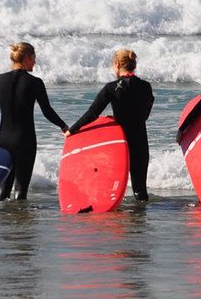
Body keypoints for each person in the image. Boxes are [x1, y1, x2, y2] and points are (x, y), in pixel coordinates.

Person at [65, 49, 155, 201]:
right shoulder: (146, 86)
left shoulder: (111, 87)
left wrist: (72, 130)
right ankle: (140, 222)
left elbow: (92, 113)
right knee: (140, 191)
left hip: (119, 144)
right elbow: (144, 115)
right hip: (140, 141)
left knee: (112, 189)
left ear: (117, 64)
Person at [0, 42, 68, 200]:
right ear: (26, 58)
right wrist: (63, 126)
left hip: (4, 140)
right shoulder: (35, 82)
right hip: (25, 140)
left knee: (4, 188)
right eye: (34, 58)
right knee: (21, 189)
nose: (35, 62)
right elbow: (47, 111)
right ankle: (20, 220)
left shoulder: (0, 80)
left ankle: (1, 220)